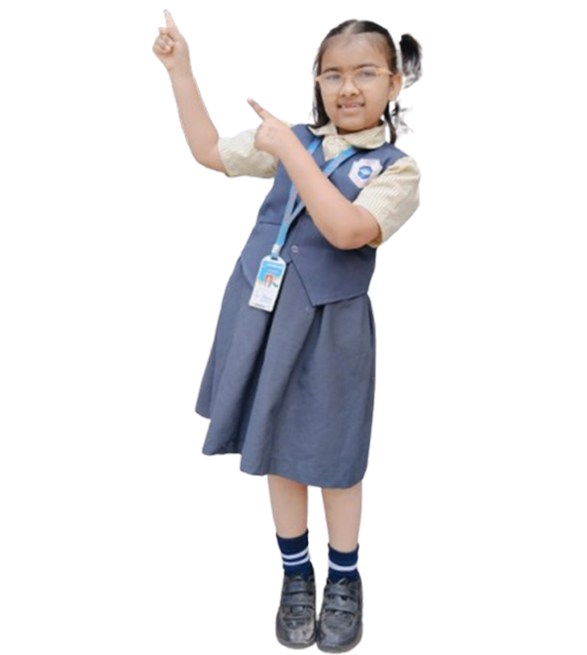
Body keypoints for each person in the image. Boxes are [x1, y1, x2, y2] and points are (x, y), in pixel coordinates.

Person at [153, 12, 423, 650]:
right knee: (277, 448)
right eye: (333, 74)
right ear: (319, 82)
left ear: (396, 84)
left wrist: (291, 151)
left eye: (366, 73)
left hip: (332, 328)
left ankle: (345, 576)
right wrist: (179, 70)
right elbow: (209, 152)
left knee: (336, 458)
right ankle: (296, 575)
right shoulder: (295, 137)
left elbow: (347, 231)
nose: (347, 87)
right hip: (262, 314)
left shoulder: (400, 169)